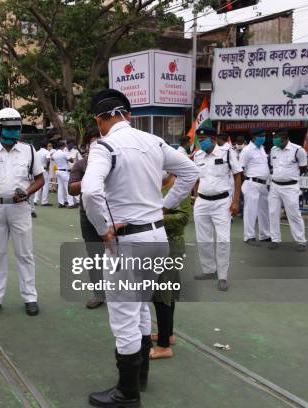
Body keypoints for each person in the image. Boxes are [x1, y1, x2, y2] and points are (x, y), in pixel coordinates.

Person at [82, 89, 198, 408]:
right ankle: (140, 379)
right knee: (142, 307)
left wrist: (103, 225)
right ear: (128, 114)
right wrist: (164, 205)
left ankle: (127, 393)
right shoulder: (154, 142)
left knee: (124, 316)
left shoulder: (104, 145)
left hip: (129, 243)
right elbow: (191, 172)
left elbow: (90, 192)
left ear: (100, 120)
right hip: (156, 238)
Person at [0, 108, 45, 318]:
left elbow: (40, 180)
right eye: (9, 128)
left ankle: (30, 297)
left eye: (16, 128)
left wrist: (26, 192)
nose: (13, 132)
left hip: (20, 208)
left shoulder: (29, 151)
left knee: (25, 253)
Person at [192, 124, 243, 291]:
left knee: (222, 240)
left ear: (213, 139)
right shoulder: (198, 155)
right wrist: (196, 196)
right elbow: (197, 178)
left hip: (222, 202)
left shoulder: (227, 153)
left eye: (203, 139)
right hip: (202, 202)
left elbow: (237, 175)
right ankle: (209, 270)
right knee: (203, 239)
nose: (201, 142)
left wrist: (235, 201)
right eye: (199, 140)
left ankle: (222, 276)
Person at [150, 173, 191, 360]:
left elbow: (183, 218)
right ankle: (167, 334)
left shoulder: (179, 189)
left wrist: (153, 218)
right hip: (158, 245)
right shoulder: (156, 186)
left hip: (171, 246)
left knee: (161, 295)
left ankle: (164, 346)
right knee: (168, 294)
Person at [68, 126, 104, 309]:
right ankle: (99, 293)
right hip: (87, 214)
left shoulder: (114, 162)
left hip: (112, 214)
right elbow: (71, 188)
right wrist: (91, 179)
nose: (97, 144)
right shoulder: (81, 164)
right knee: (94, 254)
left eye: (101, 140)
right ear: (88, 145)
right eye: (94, 141)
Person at [267, 129, 307, 251]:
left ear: (284, 138)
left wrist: (289, 175)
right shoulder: (274, 149)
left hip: (290, 187)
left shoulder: (298, 150)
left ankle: (301, 241)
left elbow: (303, 167)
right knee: (273, 213)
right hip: (274, 186)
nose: (274, 140)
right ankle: (275, 239)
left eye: (277, 138)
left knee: (294, 214)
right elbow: (272, 166)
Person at [240, 128, 270, 245]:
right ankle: (249, 236)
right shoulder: (247, 150)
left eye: (264, 135)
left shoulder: (262, 148)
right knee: (250, 210)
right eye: (260, 135)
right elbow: (240, 168)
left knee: (264, 210)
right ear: (253, 137)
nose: (263, 137)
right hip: (252, 182)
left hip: (263, 184)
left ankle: (264, 235)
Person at [52, 141, 74, 208]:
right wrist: (68, 158)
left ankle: (61, 203)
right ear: (63, 146)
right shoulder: (64, 153)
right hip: (64, 172)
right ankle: (71, 203)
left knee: (60, 188)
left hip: (58, 171)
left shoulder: (54, 154)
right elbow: (71, 160)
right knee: (68, 187)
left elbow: (52, 159)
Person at [33, 142, 52, 207]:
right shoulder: (46, 152)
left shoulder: (37, 152)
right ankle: (44, 201)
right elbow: (48, 160)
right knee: (45, 185)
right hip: (44, 169)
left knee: (38, 185)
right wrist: (47, 166)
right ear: (46, 146)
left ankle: (35, 200)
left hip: (38, 170)